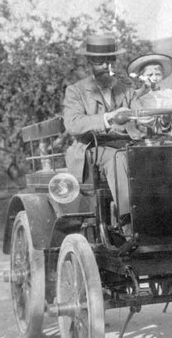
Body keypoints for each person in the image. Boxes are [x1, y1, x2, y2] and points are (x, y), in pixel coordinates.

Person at [63, 33, 135, 230]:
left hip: (126, 144)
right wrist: (108, 118)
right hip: (91, 147)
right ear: (89, 61)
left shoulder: (126, 89)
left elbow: (138, 116)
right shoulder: (75, 91)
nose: (105, 65)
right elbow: (73, 124)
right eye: (98, 60)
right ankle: (127, 220)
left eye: (109, 60)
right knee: (117, 158)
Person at [127, 53, 172, 143]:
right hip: (146, 135)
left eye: (157, 74)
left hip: (170, 133)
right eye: (149, 75)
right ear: (142, 76)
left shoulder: (169, 94)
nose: (154, 78)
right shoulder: (137, 96)